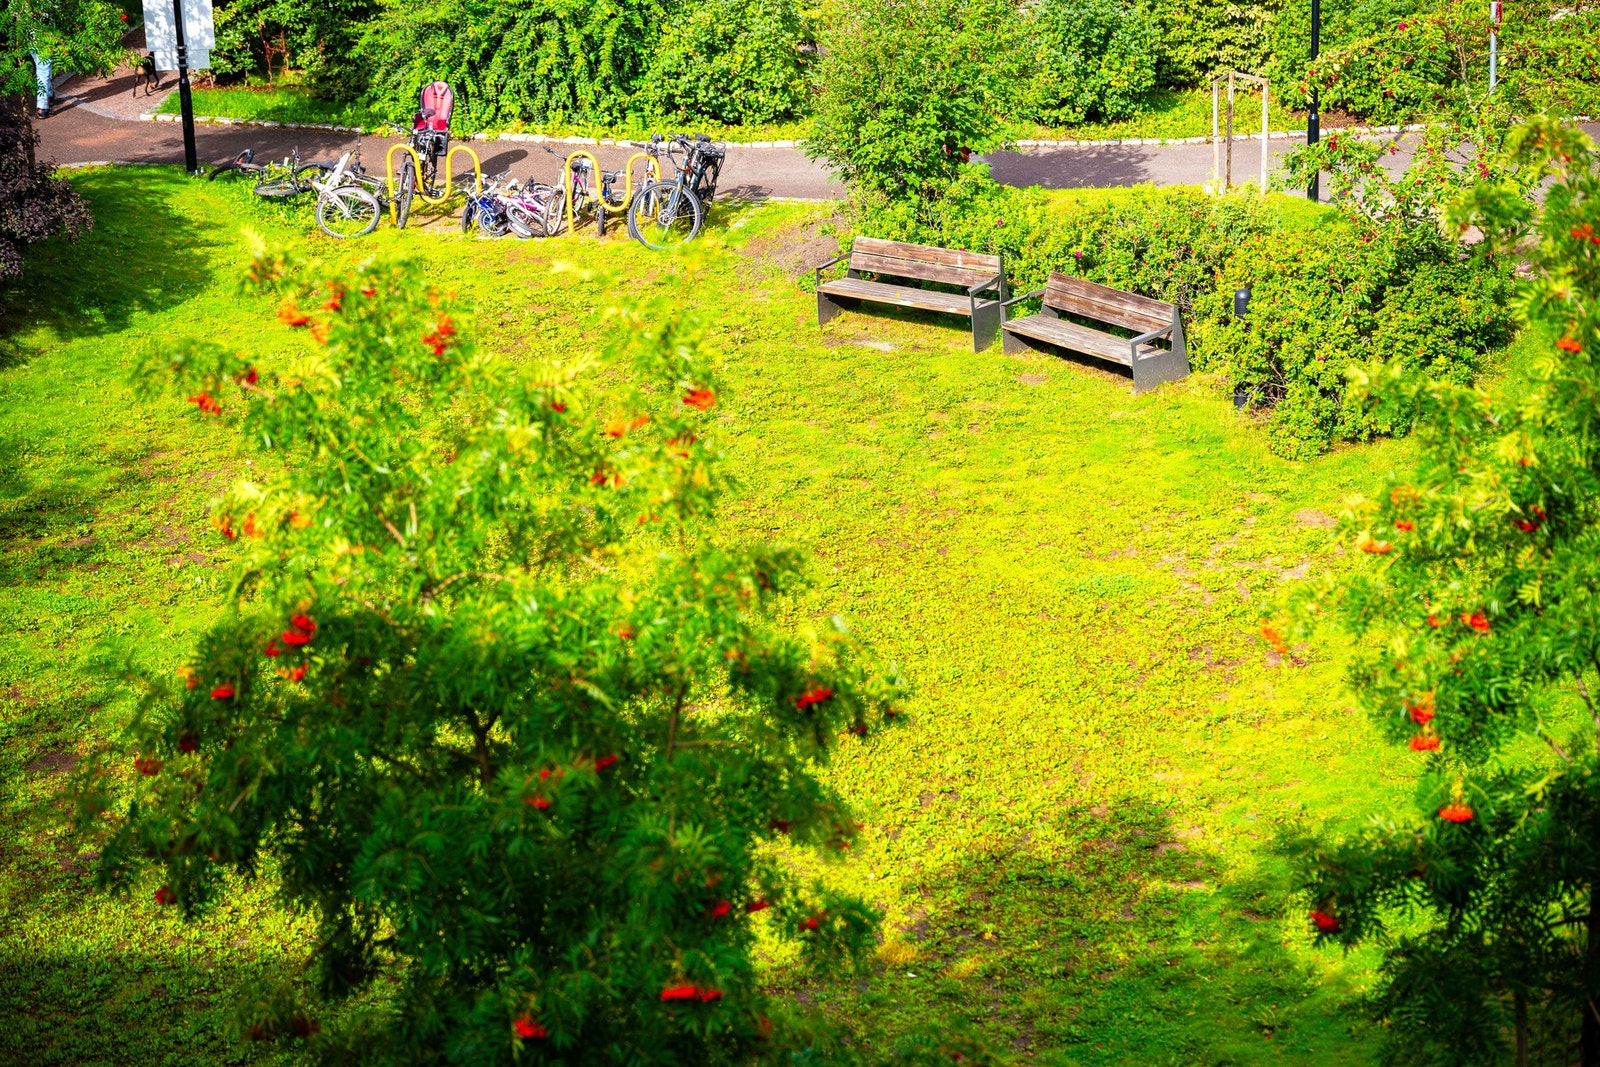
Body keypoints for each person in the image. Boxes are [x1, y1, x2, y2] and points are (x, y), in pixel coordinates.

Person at [31, 52, 52, 117]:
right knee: (43, 70)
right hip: (43, 44)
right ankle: (42, 107)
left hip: (32, 42)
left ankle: (50, 94)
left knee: (43, 67)